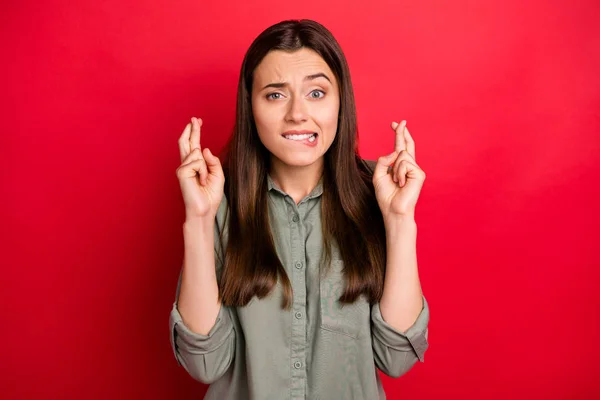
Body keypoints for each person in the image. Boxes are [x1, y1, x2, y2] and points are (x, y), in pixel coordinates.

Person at [169, 19, 430, 400]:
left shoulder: (381, 194)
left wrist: (400, 219)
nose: (297, 114)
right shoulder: (217, 199)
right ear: (250, 107)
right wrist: (198, 218)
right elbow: (205, 363)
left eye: (317, 93)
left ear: (341, 102)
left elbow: (396, 358)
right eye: (275, 95)